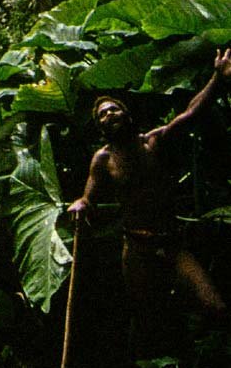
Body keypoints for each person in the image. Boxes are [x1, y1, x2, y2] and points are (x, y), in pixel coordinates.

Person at [67, 48, 231, 325]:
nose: (108, 115)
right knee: (148, 317)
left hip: (172, 243)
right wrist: (81, 203)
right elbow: (88, 196)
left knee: (215, 307)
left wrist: (218, 77)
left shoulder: (152, 143)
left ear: (126, 114)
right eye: (102, 116)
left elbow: (190, 114)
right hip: (137, 250)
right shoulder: (103, 160)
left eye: (113, 109)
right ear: (100, 128)